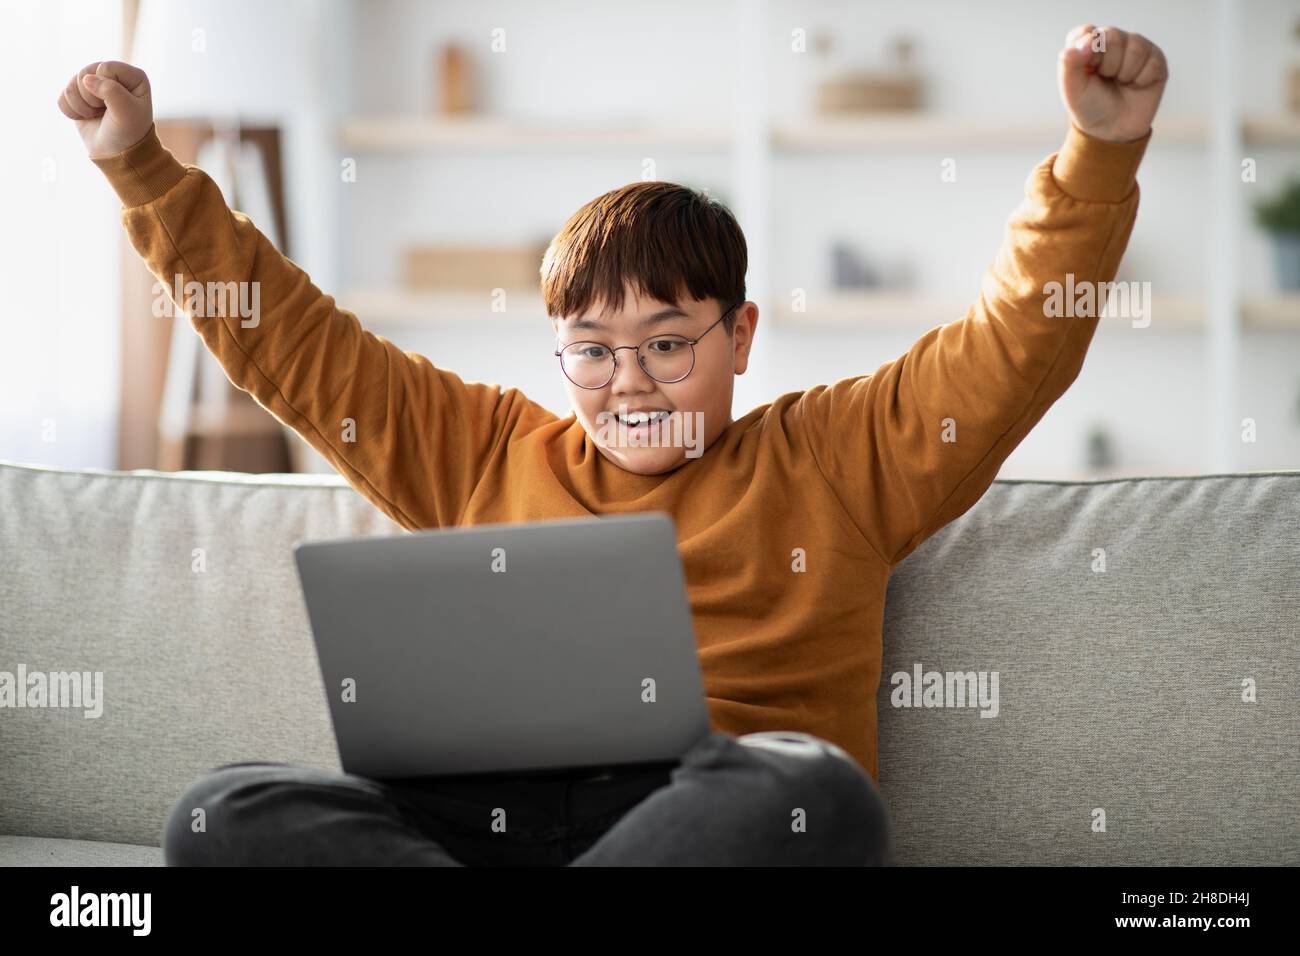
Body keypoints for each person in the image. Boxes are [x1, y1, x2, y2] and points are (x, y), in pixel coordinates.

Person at [57, 22, 1166, 866]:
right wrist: (144, 169)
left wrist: (1097, 157)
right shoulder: (484, 448)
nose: (628, 381)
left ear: (739, 334)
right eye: (590, 349)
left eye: (666, 342)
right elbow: (293, 346)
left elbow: (1013, 347)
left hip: (709, 810)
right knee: (224, 810)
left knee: (819, 792)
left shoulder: (836, 453)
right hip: (493, 813)